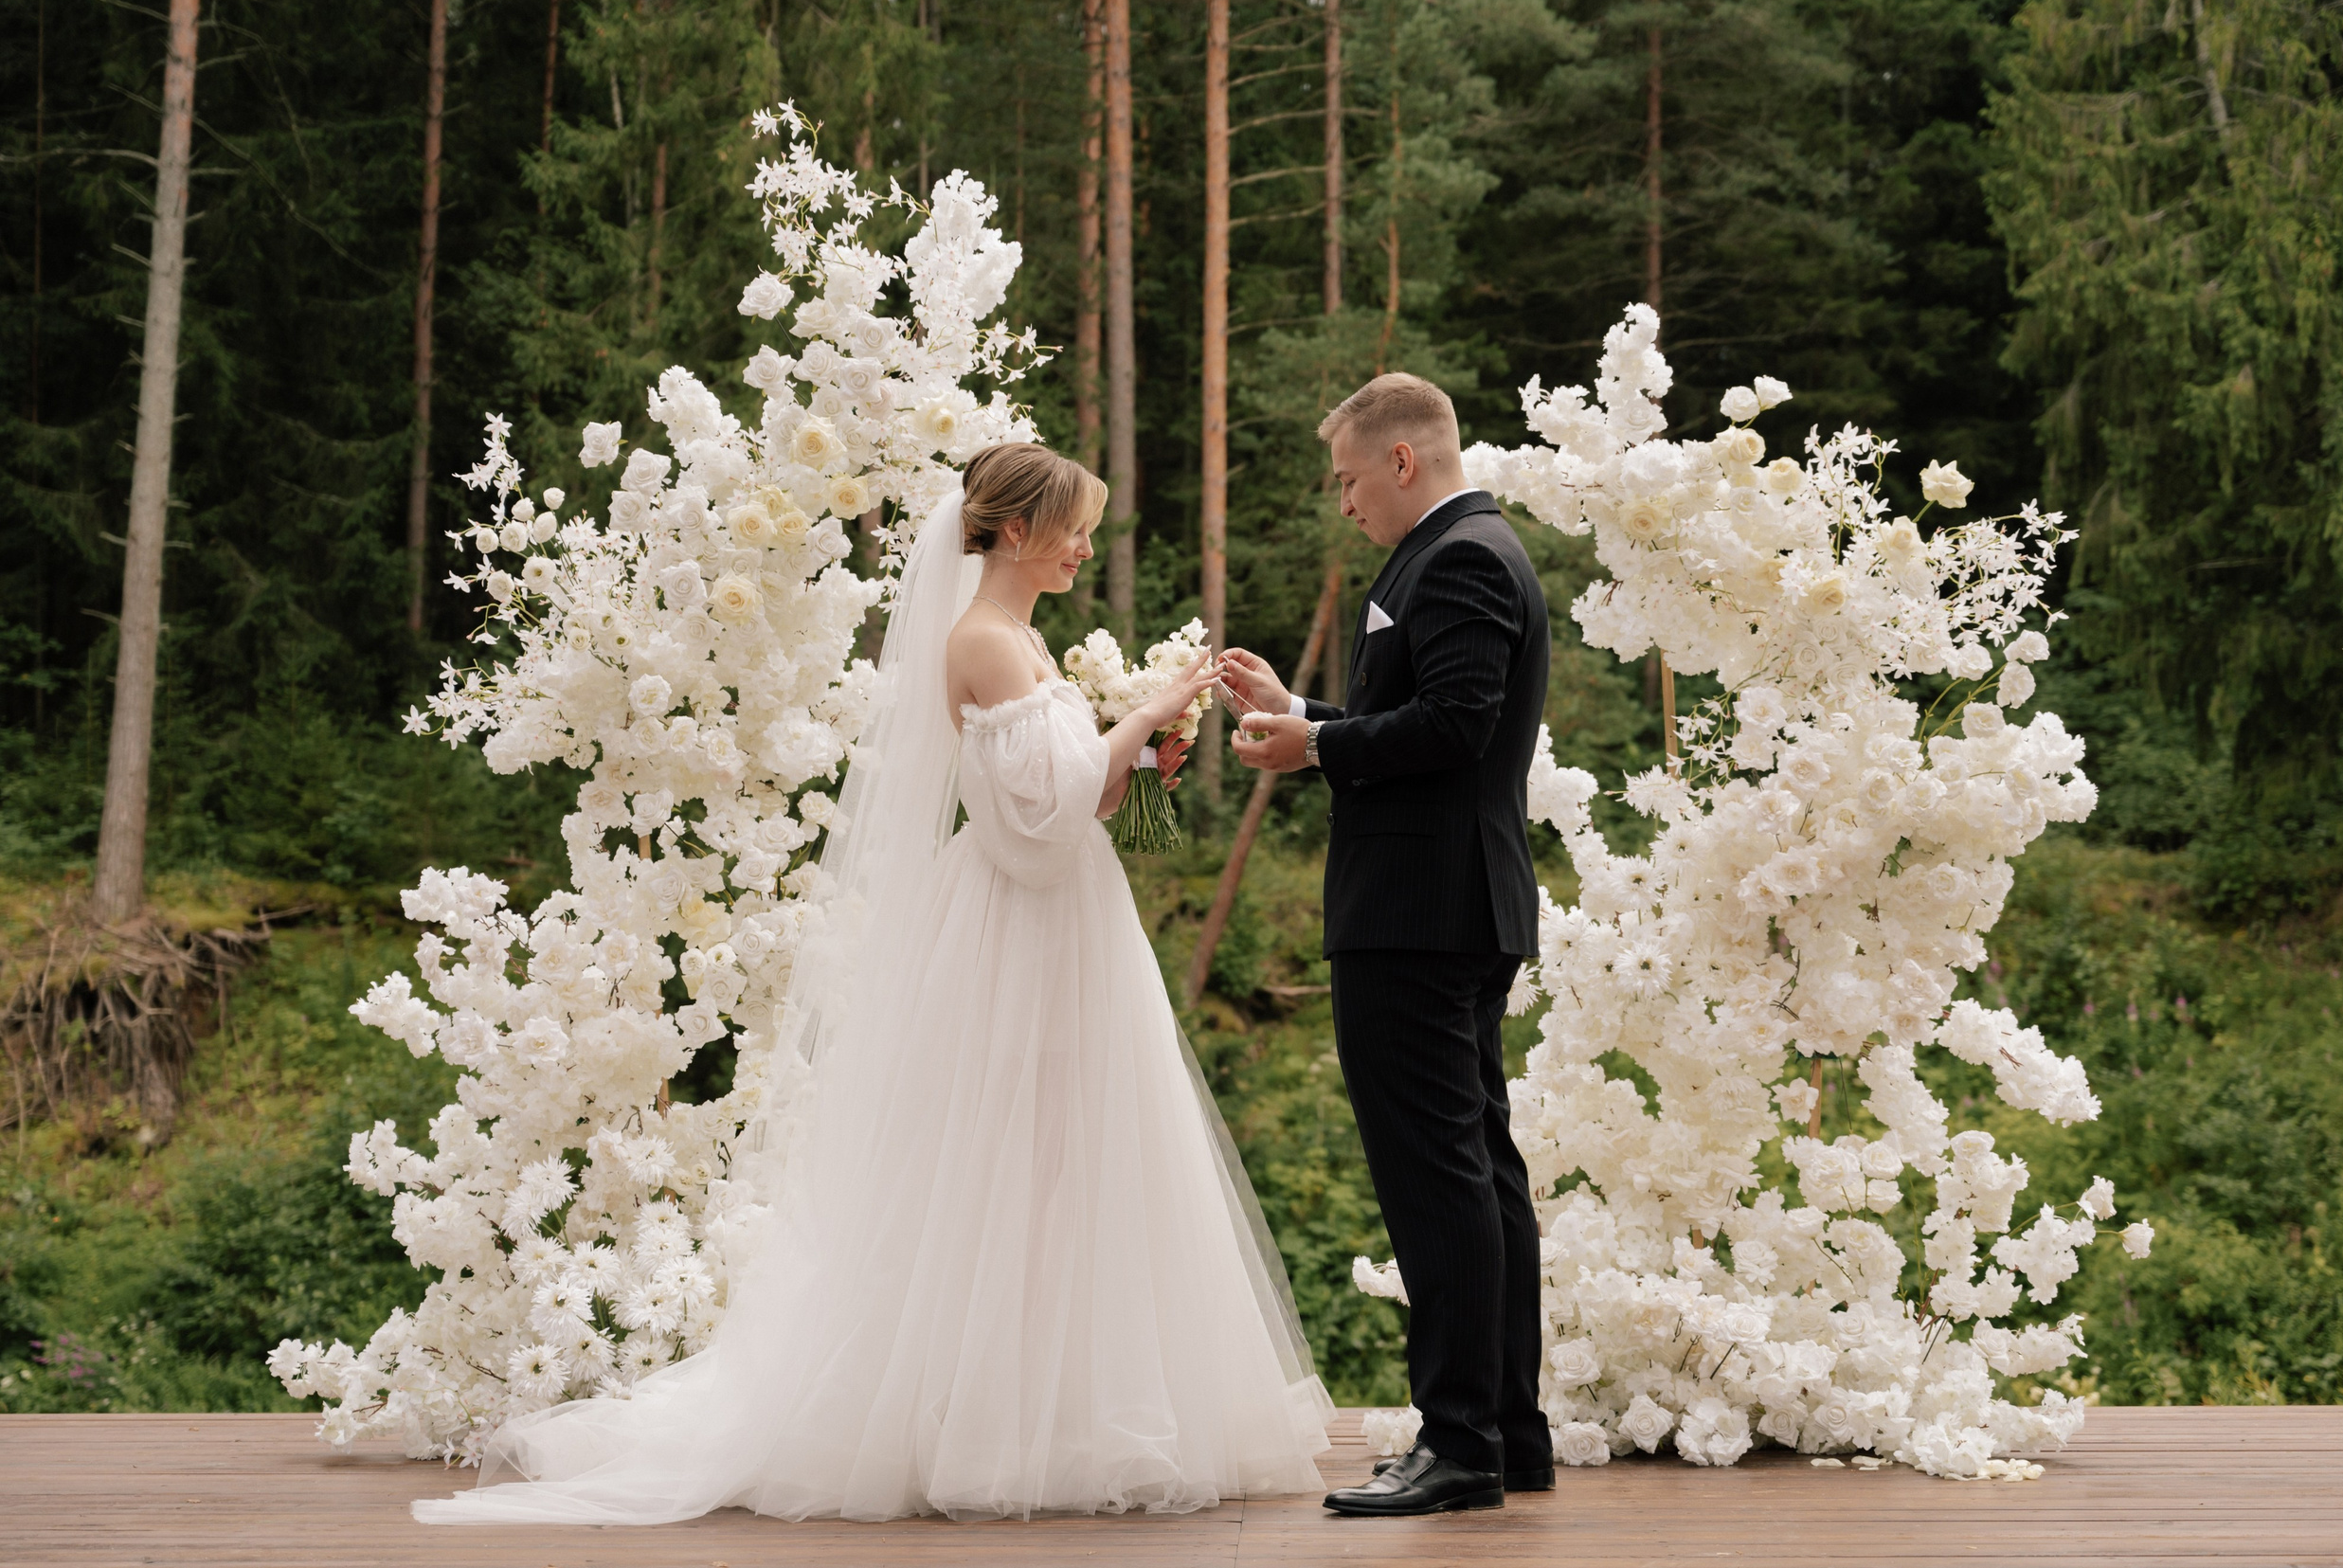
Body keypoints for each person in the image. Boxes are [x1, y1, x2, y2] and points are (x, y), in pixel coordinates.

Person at [416, 443, 1333, 1526]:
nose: (1087, 547)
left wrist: (1139, 752)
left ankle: (1061, 1406)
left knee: (1063, 1159)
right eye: (1075, 529)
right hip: (1018, 930)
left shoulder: (1024, 639)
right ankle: (978, 1415)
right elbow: (1041, 824)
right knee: (998, 1160)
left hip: (1065, 925)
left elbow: (1071, 800)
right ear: (1018, 531)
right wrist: (1145, 713)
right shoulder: (981, 640)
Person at [1223, 372, 1553, 1517]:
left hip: (1419, 912)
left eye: (1349, 478)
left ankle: (1460, 1442)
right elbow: (1428, 717)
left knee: (1437, 1181)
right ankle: (1507, 1432)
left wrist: (1315, 750)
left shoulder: (1458, 557)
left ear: (1402, 460)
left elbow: (1455, 726)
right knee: (1479, 1171)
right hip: (1451, 904)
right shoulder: (1470, 549)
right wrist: (1308, 715)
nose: (1345, 501)